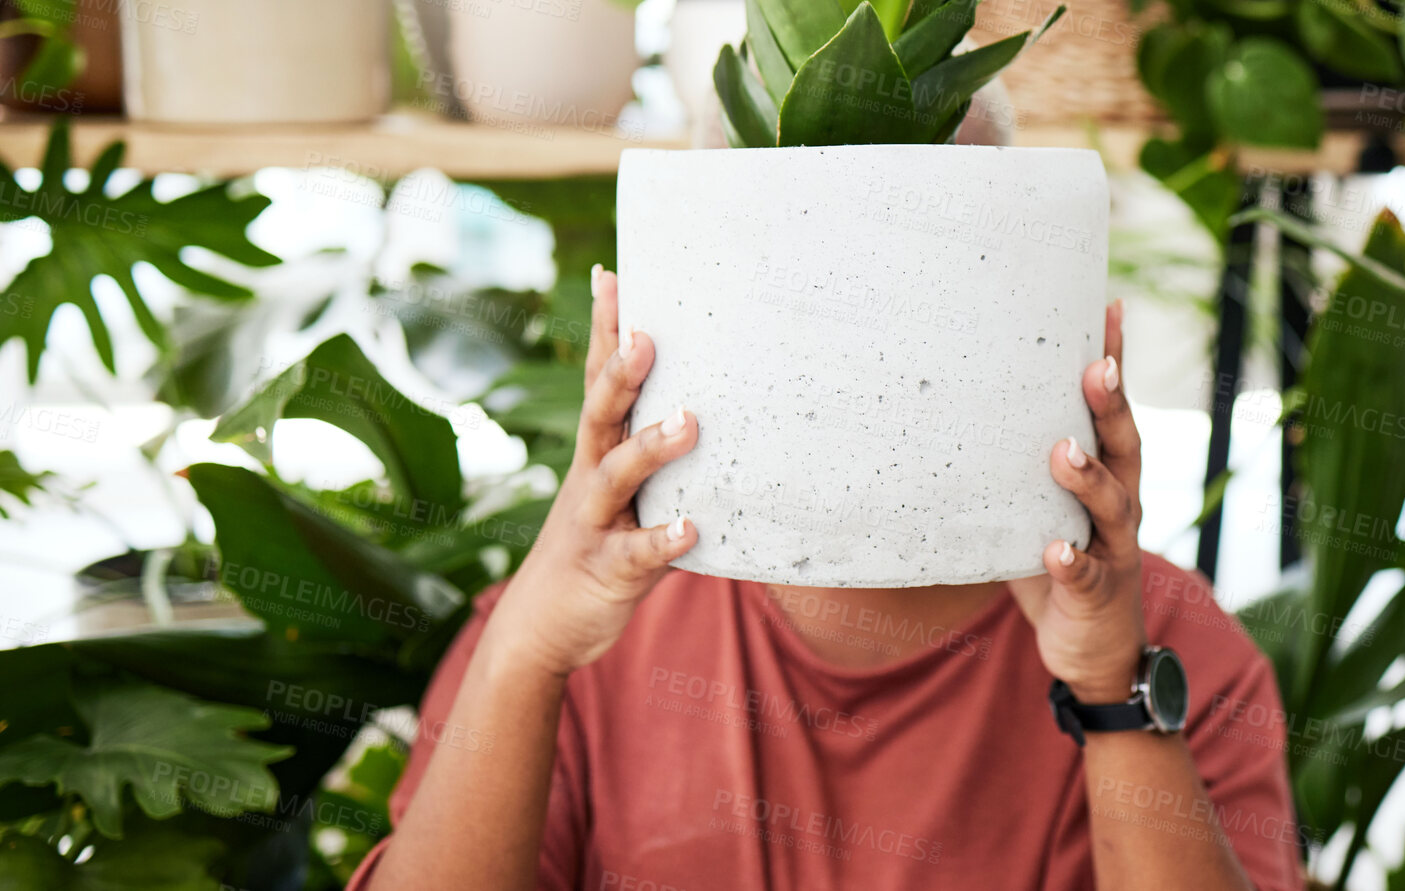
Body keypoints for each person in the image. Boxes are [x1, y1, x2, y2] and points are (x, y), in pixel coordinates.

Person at [348, 269, 1304, 891]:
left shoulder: (1167, 646)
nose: (873, 336)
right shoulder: (581, 624)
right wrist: (525, 652)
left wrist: (1109, 691)